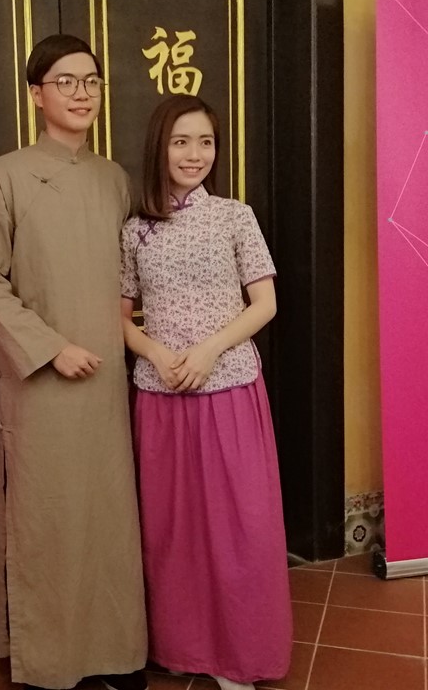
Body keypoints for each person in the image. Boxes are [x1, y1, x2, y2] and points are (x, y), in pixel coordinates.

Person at [0, 34, 148, 690]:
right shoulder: (6, 174)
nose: (81, 93)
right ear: (36, 94)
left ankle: (116, 649)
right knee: (46, 515)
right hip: (40, 377)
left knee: (108, 514)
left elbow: (129, 278)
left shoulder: (114, 179)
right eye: (65, 81)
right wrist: (49, 348)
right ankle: (50, 661)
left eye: (91, 81)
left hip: (107, 376)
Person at [120, 95, 289, 690]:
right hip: (160, 395)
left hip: (229, 390)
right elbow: (119, 318)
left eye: (206, 142)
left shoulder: (235, 216)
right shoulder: (135, 229)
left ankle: (241, 654)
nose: (195, 155)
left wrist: (210, 350)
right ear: (159, 148)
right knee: (173, 529)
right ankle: (181, 646)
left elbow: (265, 304)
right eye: (181, 142)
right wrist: (156, 354)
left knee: (240, 527)